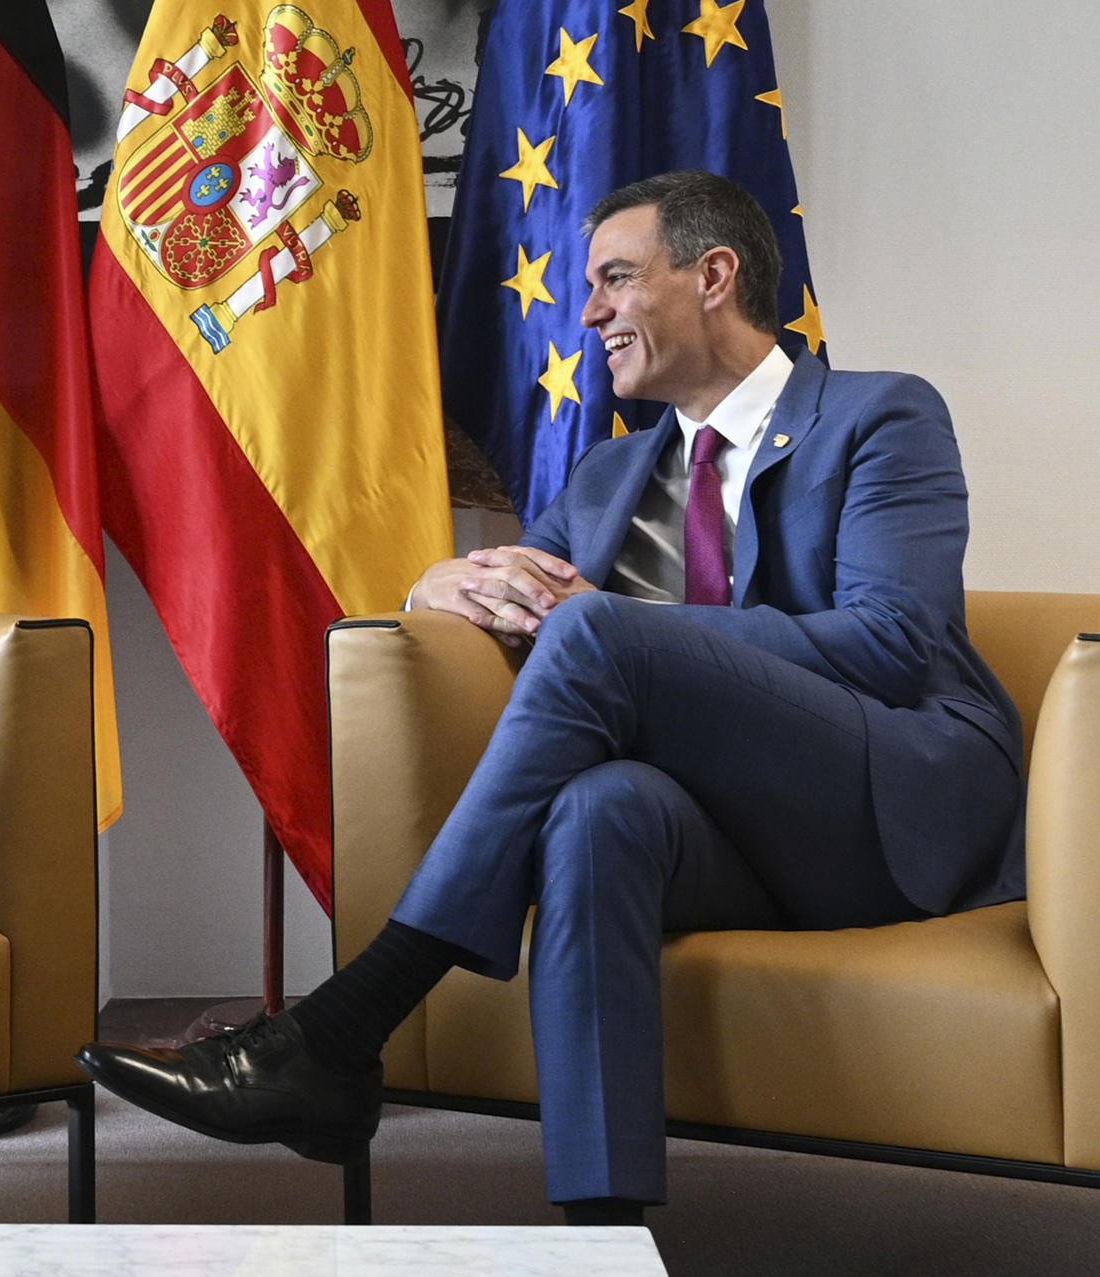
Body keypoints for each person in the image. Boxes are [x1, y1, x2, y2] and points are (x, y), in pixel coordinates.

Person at [76, 171, 1024, 1225]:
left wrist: (626, 630)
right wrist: (433, 584)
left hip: (886, 805)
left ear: (714, 276)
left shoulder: (881, 414)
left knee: (598, 630)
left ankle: (345, 1026)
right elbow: (524, 601)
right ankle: (602, 1224)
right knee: (597, 811)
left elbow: (892, 646)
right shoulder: (608, 479)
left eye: (617, 278)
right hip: (728, 839)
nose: (589, 313)